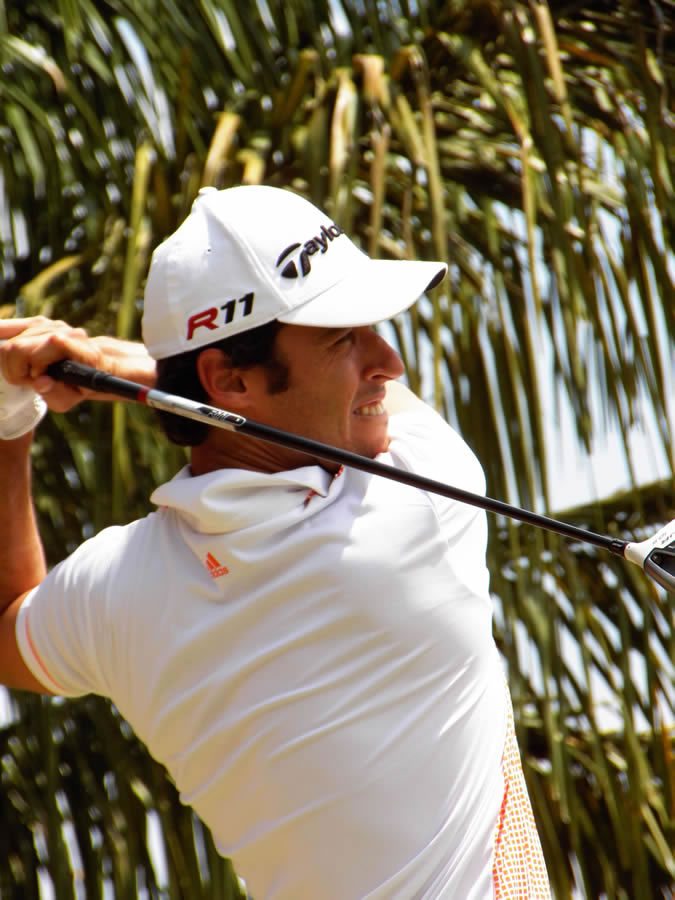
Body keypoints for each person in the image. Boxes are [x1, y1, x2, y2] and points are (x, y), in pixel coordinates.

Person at [0, 185, 551, 899]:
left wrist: (10, 419)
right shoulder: (420, 496)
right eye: (343, 338)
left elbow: (9, 632)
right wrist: (115, 361)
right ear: (230, 380)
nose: (387, 361)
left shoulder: (116, 590)